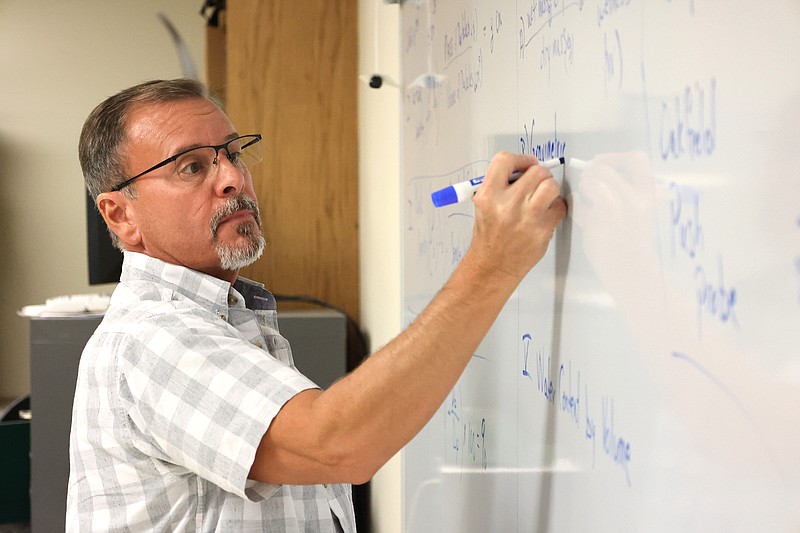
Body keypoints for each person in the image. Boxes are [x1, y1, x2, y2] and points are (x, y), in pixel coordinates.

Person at [66, 78, 566, 532]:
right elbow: (336, 445)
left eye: (233, 154)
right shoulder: (154, 337)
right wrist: (492, 265)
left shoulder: (219, 315)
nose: (232, 179)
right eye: (192, 166)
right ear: (120, 215)